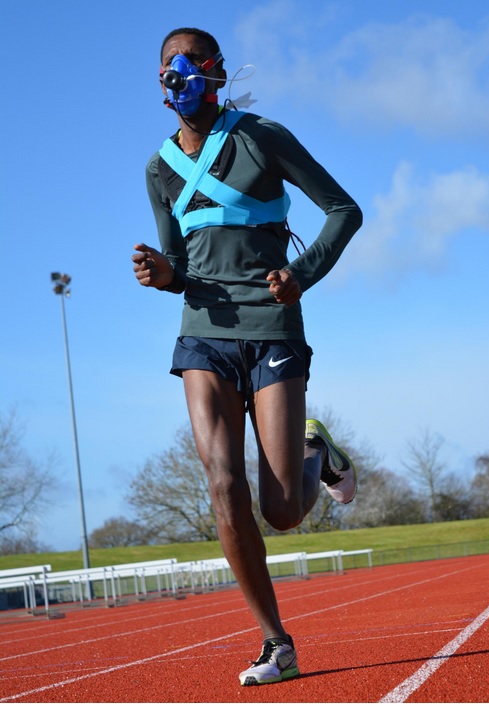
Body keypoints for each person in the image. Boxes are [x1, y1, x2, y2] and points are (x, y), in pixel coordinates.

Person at [132, 27, 363, 686]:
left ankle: (319, 451)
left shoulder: (261, 136)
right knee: (220, 484)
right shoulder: (157, 168)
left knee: (282, 510)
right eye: (168, 66)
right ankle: (275, 642)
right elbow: (179, 263)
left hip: (272, 325)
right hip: (202, 331)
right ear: (160, 81)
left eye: (192, 62)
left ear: (215, 72)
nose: (179, 75)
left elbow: (343, 211)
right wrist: (161, 274)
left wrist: (302, 272)